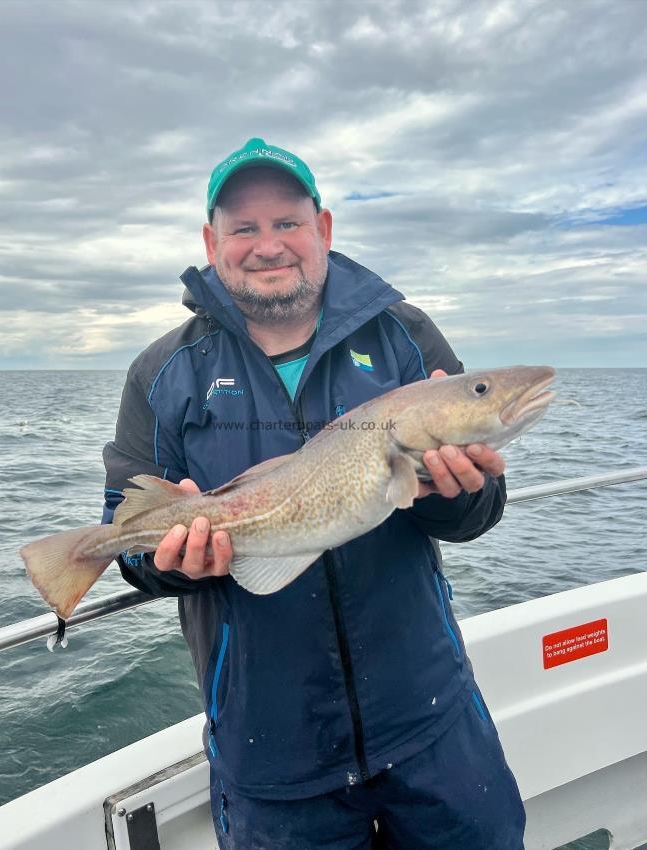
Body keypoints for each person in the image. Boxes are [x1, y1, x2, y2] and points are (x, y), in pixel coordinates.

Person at [103, 137, 526, 849]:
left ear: (323, 229)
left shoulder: (406, 339)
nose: (268, 245)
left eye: (288, 223)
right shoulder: (163, 372)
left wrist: (452, 494)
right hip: (269, 748)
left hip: (432, 722)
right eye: (244, 228)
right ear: (212, 243)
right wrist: (169, 558)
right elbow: (127, 533)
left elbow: (475, 514)